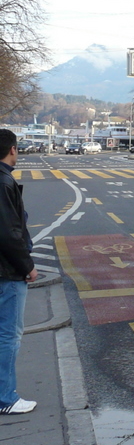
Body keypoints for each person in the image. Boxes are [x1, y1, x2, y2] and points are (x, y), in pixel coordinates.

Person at [0, 129, 38, 415]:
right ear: (13, 149)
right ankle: (6, 398)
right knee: (8, 335)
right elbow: (9, 234)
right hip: (8, 271)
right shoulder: (4, 182)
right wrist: (27, 266)